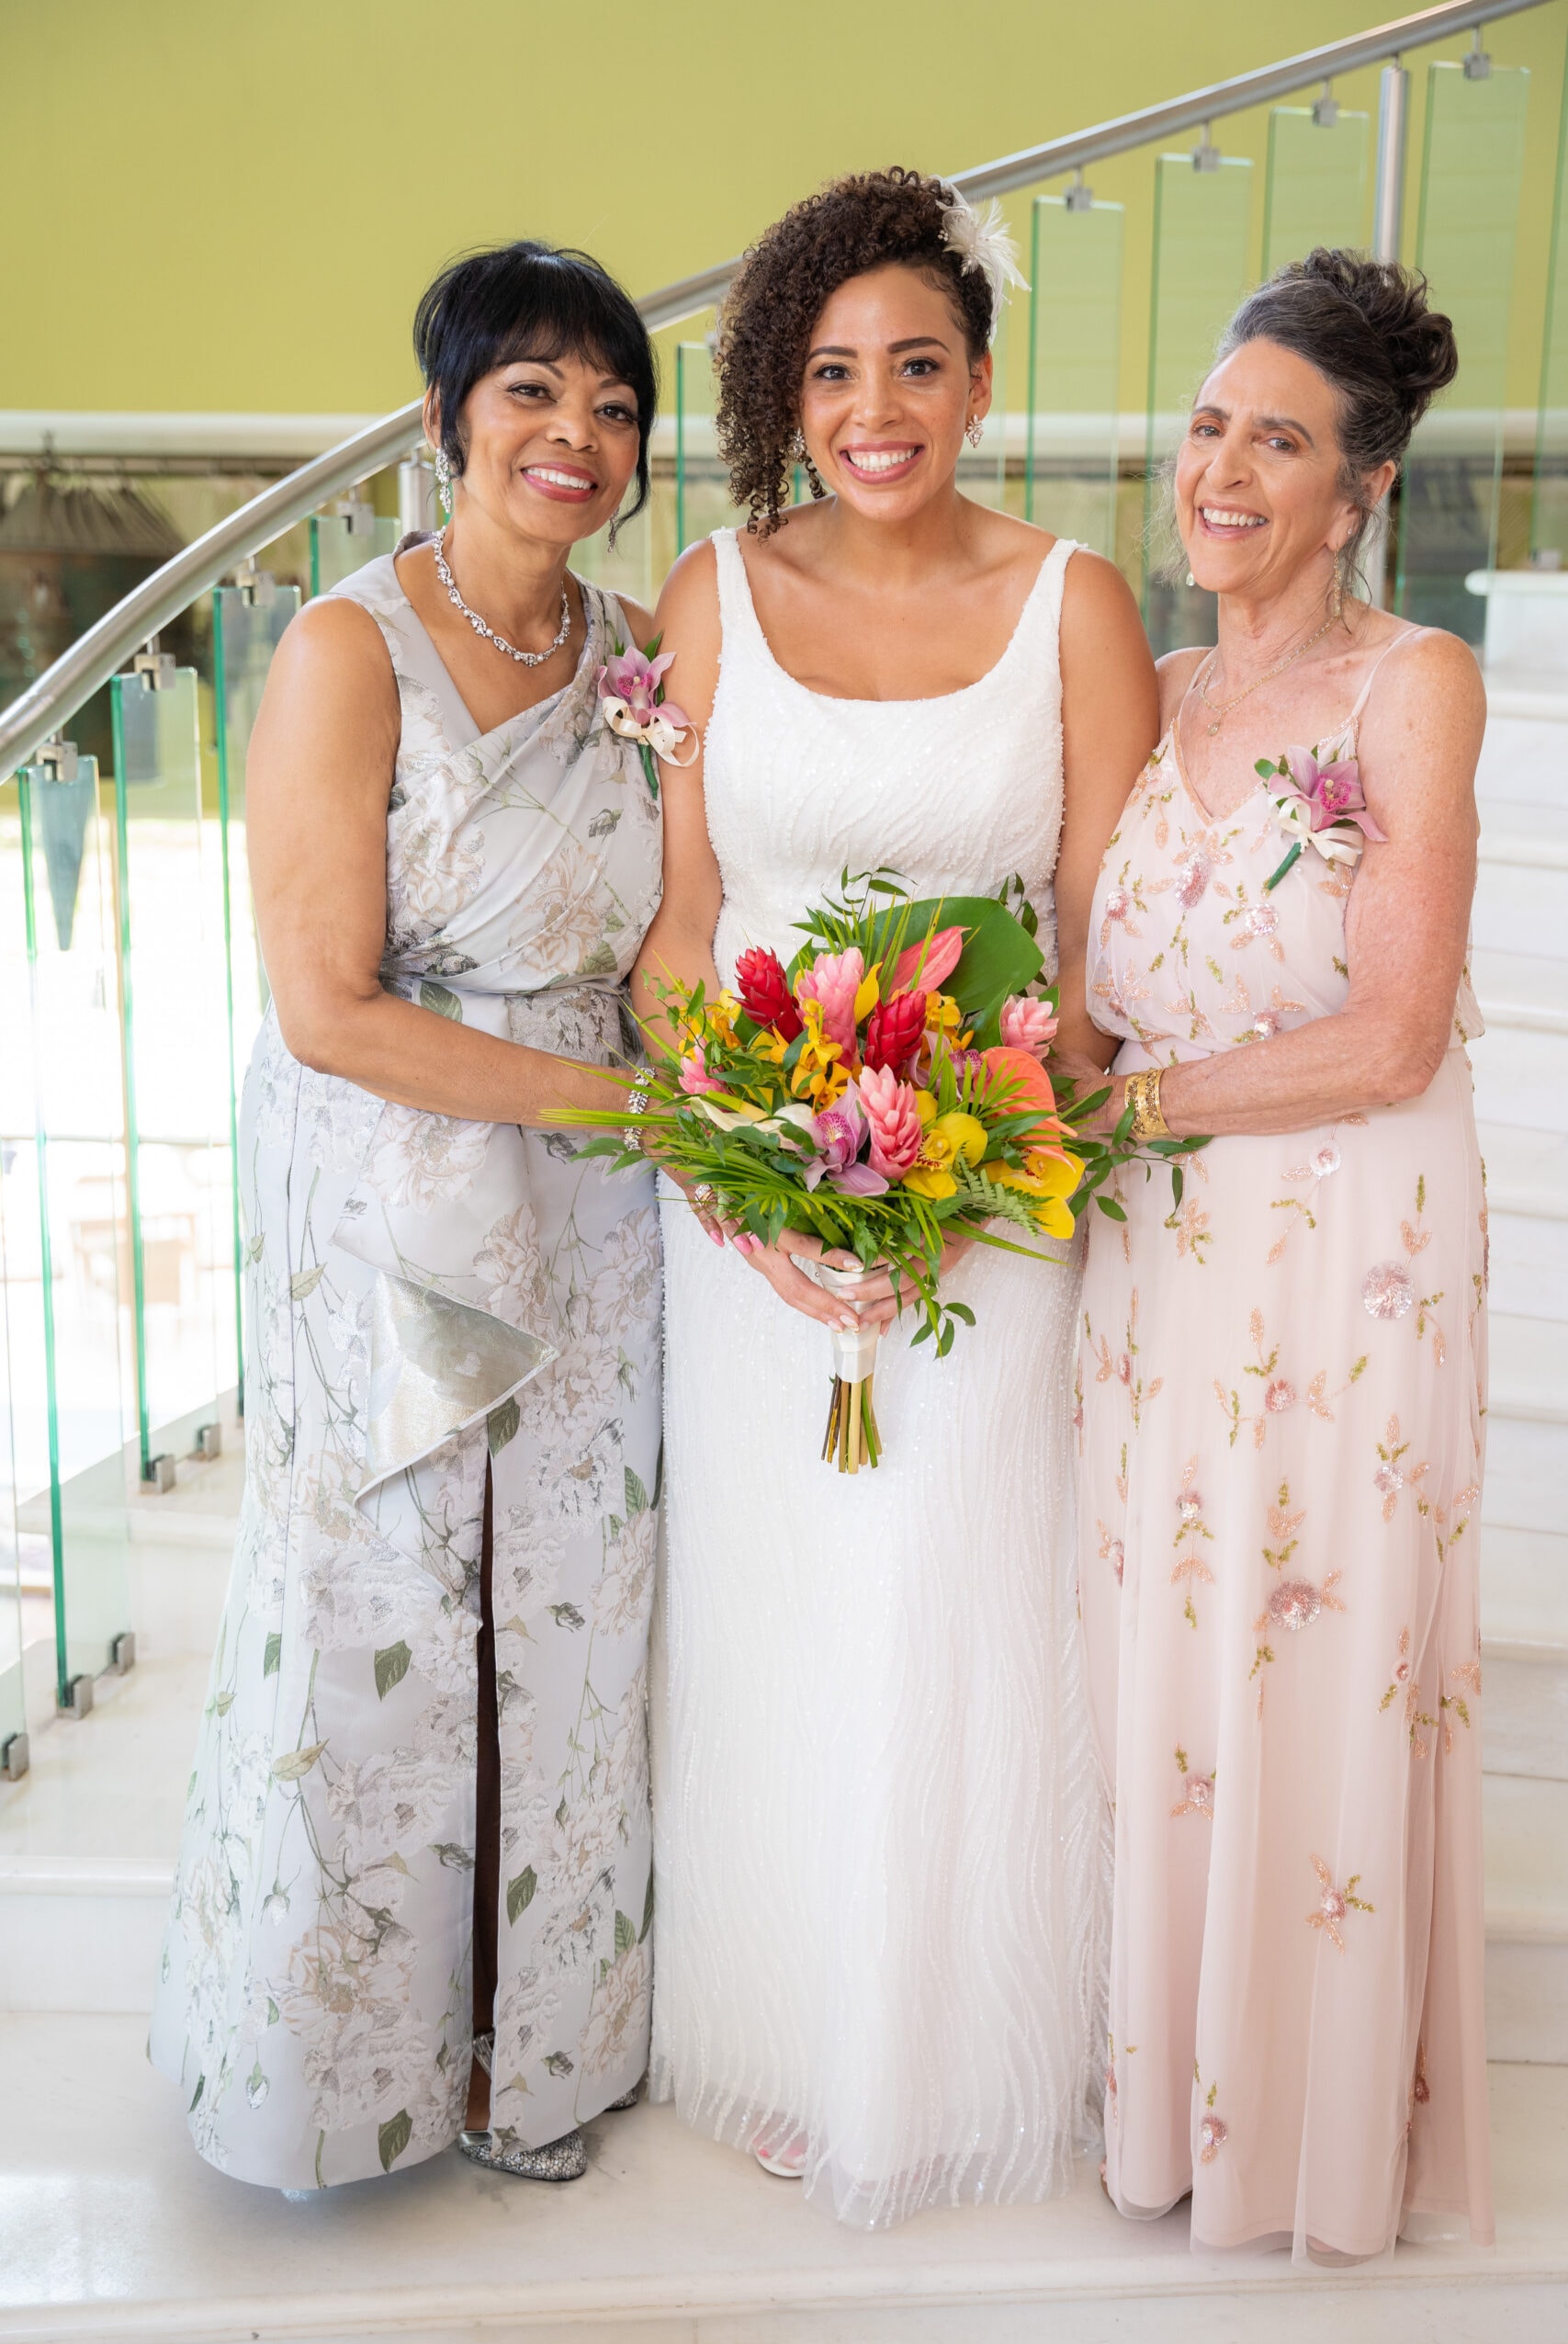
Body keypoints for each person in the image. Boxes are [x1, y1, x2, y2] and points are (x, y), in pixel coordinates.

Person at [637, 166, 1158, 2227]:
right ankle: (781, 2028)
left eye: (914, 365)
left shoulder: (1074, 601)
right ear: (788, 388)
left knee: (952, 1603)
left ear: (978, 378)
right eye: (832, 370)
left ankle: (943, 2046)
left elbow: (1102, 953)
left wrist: (972, 1148)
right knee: (778, 1609)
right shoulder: (702, 593)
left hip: (990, 1210)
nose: (875, 409)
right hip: (754, 1220)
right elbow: (682, 932)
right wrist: (753, 1165)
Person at [150, 241, 669, 2190]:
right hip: (390, 1198)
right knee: (383, 1615)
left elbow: (665, 944)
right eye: (532, 389)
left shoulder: (638, 665)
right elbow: (327, 1004)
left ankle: (526, 2058)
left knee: (566, 1620)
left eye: (614, 405)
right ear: (448, 413)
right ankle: (337, 2064)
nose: (577, 434)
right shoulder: (343, 647)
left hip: (604, 1215)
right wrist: (628, 1101)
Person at [1066, 249, 1492, 2262]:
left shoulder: (1411, 682)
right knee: (1162, 1659)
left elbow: (1392, 1031)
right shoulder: (1139, 703)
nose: (1225, 467)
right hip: (1150, 1275)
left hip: (1343, 1256)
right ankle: (1161, 2097)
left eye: (1283, 439)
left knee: (1307, 1641)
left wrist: (1121, 1112)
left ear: (1360, 487)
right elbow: (1076, 1000)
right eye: (1212, 422)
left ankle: (1300, 2130)